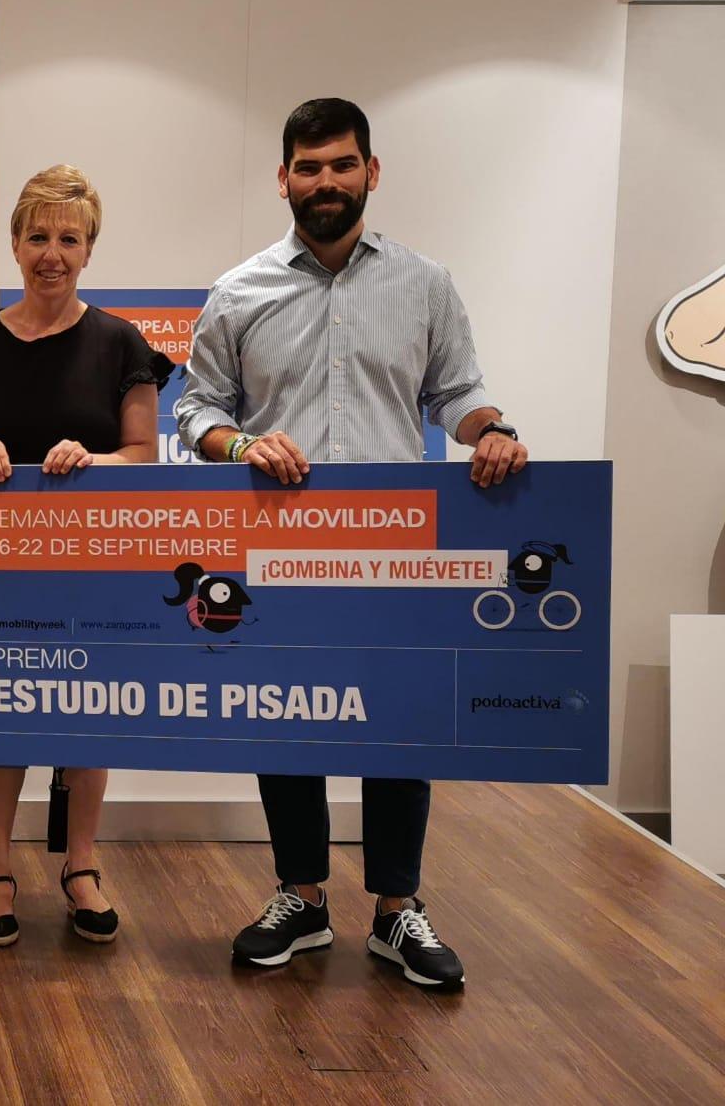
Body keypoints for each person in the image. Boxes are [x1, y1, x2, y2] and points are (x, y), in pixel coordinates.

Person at [176, 98, 529, 990]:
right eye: (308, 167)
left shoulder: (425, 284)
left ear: (372, 171)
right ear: (283, 179)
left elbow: (459, 392)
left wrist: (491, 429)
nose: (324, 181)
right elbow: (197, 410)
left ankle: (397, 909)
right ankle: (300, 897)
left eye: (341, 164)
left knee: (400, 724)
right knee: (285, 719)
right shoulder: (239, 290)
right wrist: (242, 446)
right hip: (276, 547)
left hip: (394, 549)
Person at [0, 164, 166, 948]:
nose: (51, 253)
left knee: (88, 712)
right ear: (15, 245)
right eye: (37, 237)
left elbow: (143, 454)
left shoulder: (122, 342)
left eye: (68, 238)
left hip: (94, 562)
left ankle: (81, 864)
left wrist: (98, 462)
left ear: (89, 250)